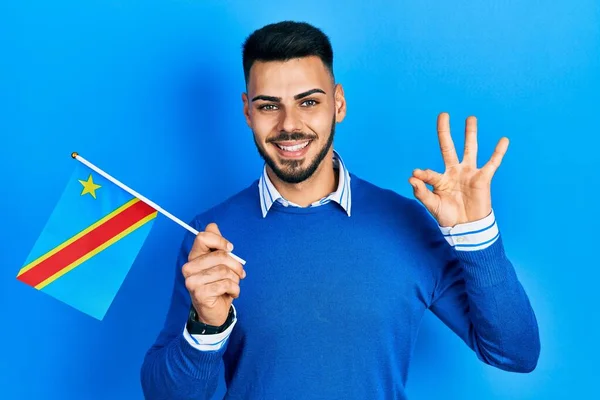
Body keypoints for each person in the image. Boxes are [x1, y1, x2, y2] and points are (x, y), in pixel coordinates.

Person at [140, 20, 540, 400]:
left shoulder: (405, 224)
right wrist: (206, 327)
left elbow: (516, 353)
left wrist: (478, 237)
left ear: (338, 103)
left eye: (308, 102)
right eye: (268, 106)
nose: (289, 125)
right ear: (247, 112)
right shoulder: (210, 237)